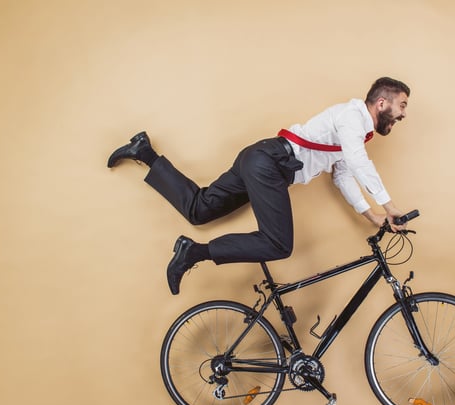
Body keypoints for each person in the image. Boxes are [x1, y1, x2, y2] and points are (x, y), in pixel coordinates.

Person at [107, 76, 411, 295]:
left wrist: (372, 216)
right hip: (269, 162)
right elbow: (359, 163)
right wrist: (390, 206)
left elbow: (344, 174)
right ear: (382, 102)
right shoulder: (352, 117)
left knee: (199, 210)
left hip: (262, 160)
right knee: (278, 244)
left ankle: (144, 152)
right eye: (401, 106)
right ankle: (193, 252)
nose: (403, 114)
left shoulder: (354, 134)